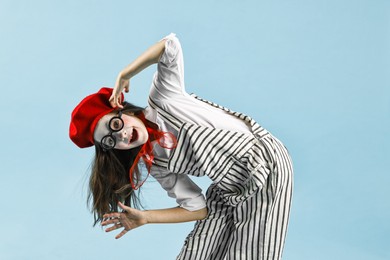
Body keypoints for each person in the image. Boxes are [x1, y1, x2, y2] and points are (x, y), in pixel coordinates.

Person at [69, 33, 293, 260]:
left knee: (249, 252)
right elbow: (197, 208)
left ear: (123, 110)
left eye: (115, 124)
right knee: (199, 251)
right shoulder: (157, 164)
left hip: (265, 165)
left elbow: (170, 46)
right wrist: (146, 217)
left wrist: (125, 73)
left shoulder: (164, 99)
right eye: (111, 141)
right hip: (228, 190)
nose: (122, 136)